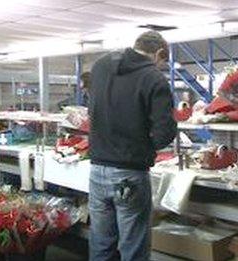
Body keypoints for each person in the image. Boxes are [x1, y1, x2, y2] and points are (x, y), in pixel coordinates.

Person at [88, 31, 177, 261]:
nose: (161, 66)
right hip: (130, 174)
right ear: (159, 53)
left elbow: (93, 110)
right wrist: (144, 143)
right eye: (162, 62)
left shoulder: (100, 66)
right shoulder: (154, 78)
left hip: (97, 169)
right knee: (133, 248)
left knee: (101, 244)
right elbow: (164, 133)